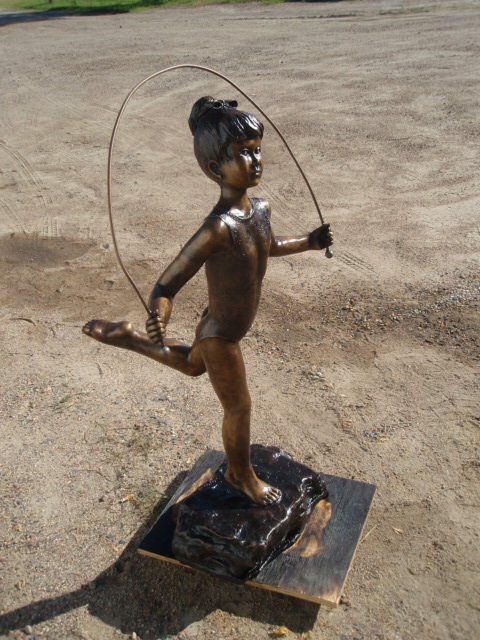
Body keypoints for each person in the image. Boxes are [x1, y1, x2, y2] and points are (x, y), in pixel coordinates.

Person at [83, 96, 333, 505]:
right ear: (217, 168)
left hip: (218, 323)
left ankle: (128, 338)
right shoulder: (217, 229)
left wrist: (309, 241)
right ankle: (240, 475)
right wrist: (160, 310)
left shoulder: (261, 210)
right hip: (222, 335)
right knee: (239, 407)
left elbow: (267, 246)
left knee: (192, 366)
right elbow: (167, 283)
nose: (255, 161)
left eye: (257, 150)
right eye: (243, 154)